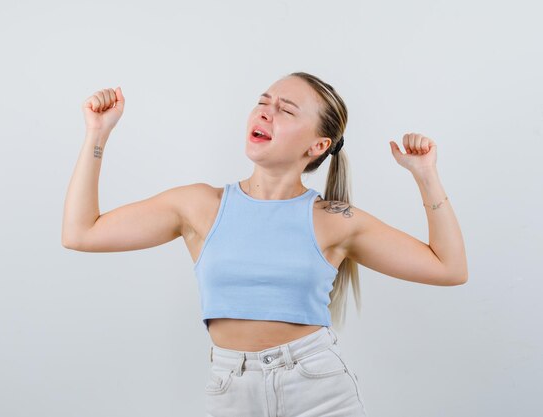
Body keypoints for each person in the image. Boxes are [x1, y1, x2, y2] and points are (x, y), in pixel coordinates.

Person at [61, 71, 468, 416]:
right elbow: (81, 233)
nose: (265, 112)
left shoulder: (335, 220)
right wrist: (98, 133)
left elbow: (448, 269)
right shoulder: (198, 205)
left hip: (319, 391)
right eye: (264, 101)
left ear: (318, 146)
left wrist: (425, 174)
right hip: (230, 391)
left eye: (286, 110)